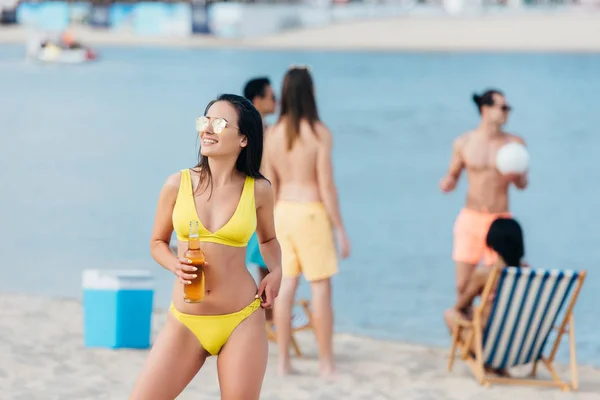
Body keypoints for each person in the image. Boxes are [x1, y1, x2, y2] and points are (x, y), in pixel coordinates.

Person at [130, 94, 282, 400]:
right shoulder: (177, 184)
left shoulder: (259, 190)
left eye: (219, 123)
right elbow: (157, 242)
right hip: (185, 321)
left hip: (241, 318)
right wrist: (174, 264)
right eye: (205, 121)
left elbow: (267, 239)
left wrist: (277, 271)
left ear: (243, 139)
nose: (207, 129)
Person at [263, 66, 351, 378]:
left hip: (283, 212)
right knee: (320, 290)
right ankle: (326, 363)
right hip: (311, 212)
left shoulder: (271, 134)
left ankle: (283, 362)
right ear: (310, 92)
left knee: (285, 288)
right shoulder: (319, 132)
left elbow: (268, 184)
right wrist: (340, 228)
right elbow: (327, 185)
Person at [439, 89, 528, 300]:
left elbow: (523, 184)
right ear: (485, 110)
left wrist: (515, 177)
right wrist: (447, 184)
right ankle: (466, 331)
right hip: (471, 218)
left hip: (500, 221)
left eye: (508, 108)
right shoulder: (464, 142)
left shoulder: (514, 145)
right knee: (463, 286)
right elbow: (452, 176)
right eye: (503, 108)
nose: (507, 112)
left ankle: (490, 329)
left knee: (496, 288)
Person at [443, 217, 527, 376]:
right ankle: (499, 366)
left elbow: (461, 305)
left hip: (489, 345)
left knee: (450, 314)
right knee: (479, 314)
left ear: (492, 243)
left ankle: (486, 362)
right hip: (520, 346)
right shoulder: (530, 275)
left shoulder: (485, 273)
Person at [243, 77, 277, 321]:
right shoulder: (253, 133)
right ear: (258, 100)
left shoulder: (269, 132)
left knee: (264, 260)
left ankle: (271, 315)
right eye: (271, 97)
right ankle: (271, 315)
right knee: (266, 260)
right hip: (255, 201)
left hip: (262, 200)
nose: (276, 101)